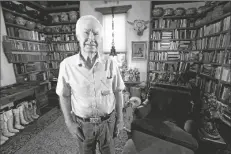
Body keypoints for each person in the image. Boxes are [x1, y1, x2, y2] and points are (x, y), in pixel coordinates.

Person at [56, 15, 125, 154]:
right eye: (86, 32)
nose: (91, 38)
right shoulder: (67, 65)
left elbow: (118, 92)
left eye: (96, 33)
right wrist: (69, 123)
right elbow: (64, 95)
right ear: (77, 35)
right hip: (83, 125)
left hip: (108, 122)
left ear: (101, 38)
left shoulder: (111, 63)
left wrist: (120, 120)